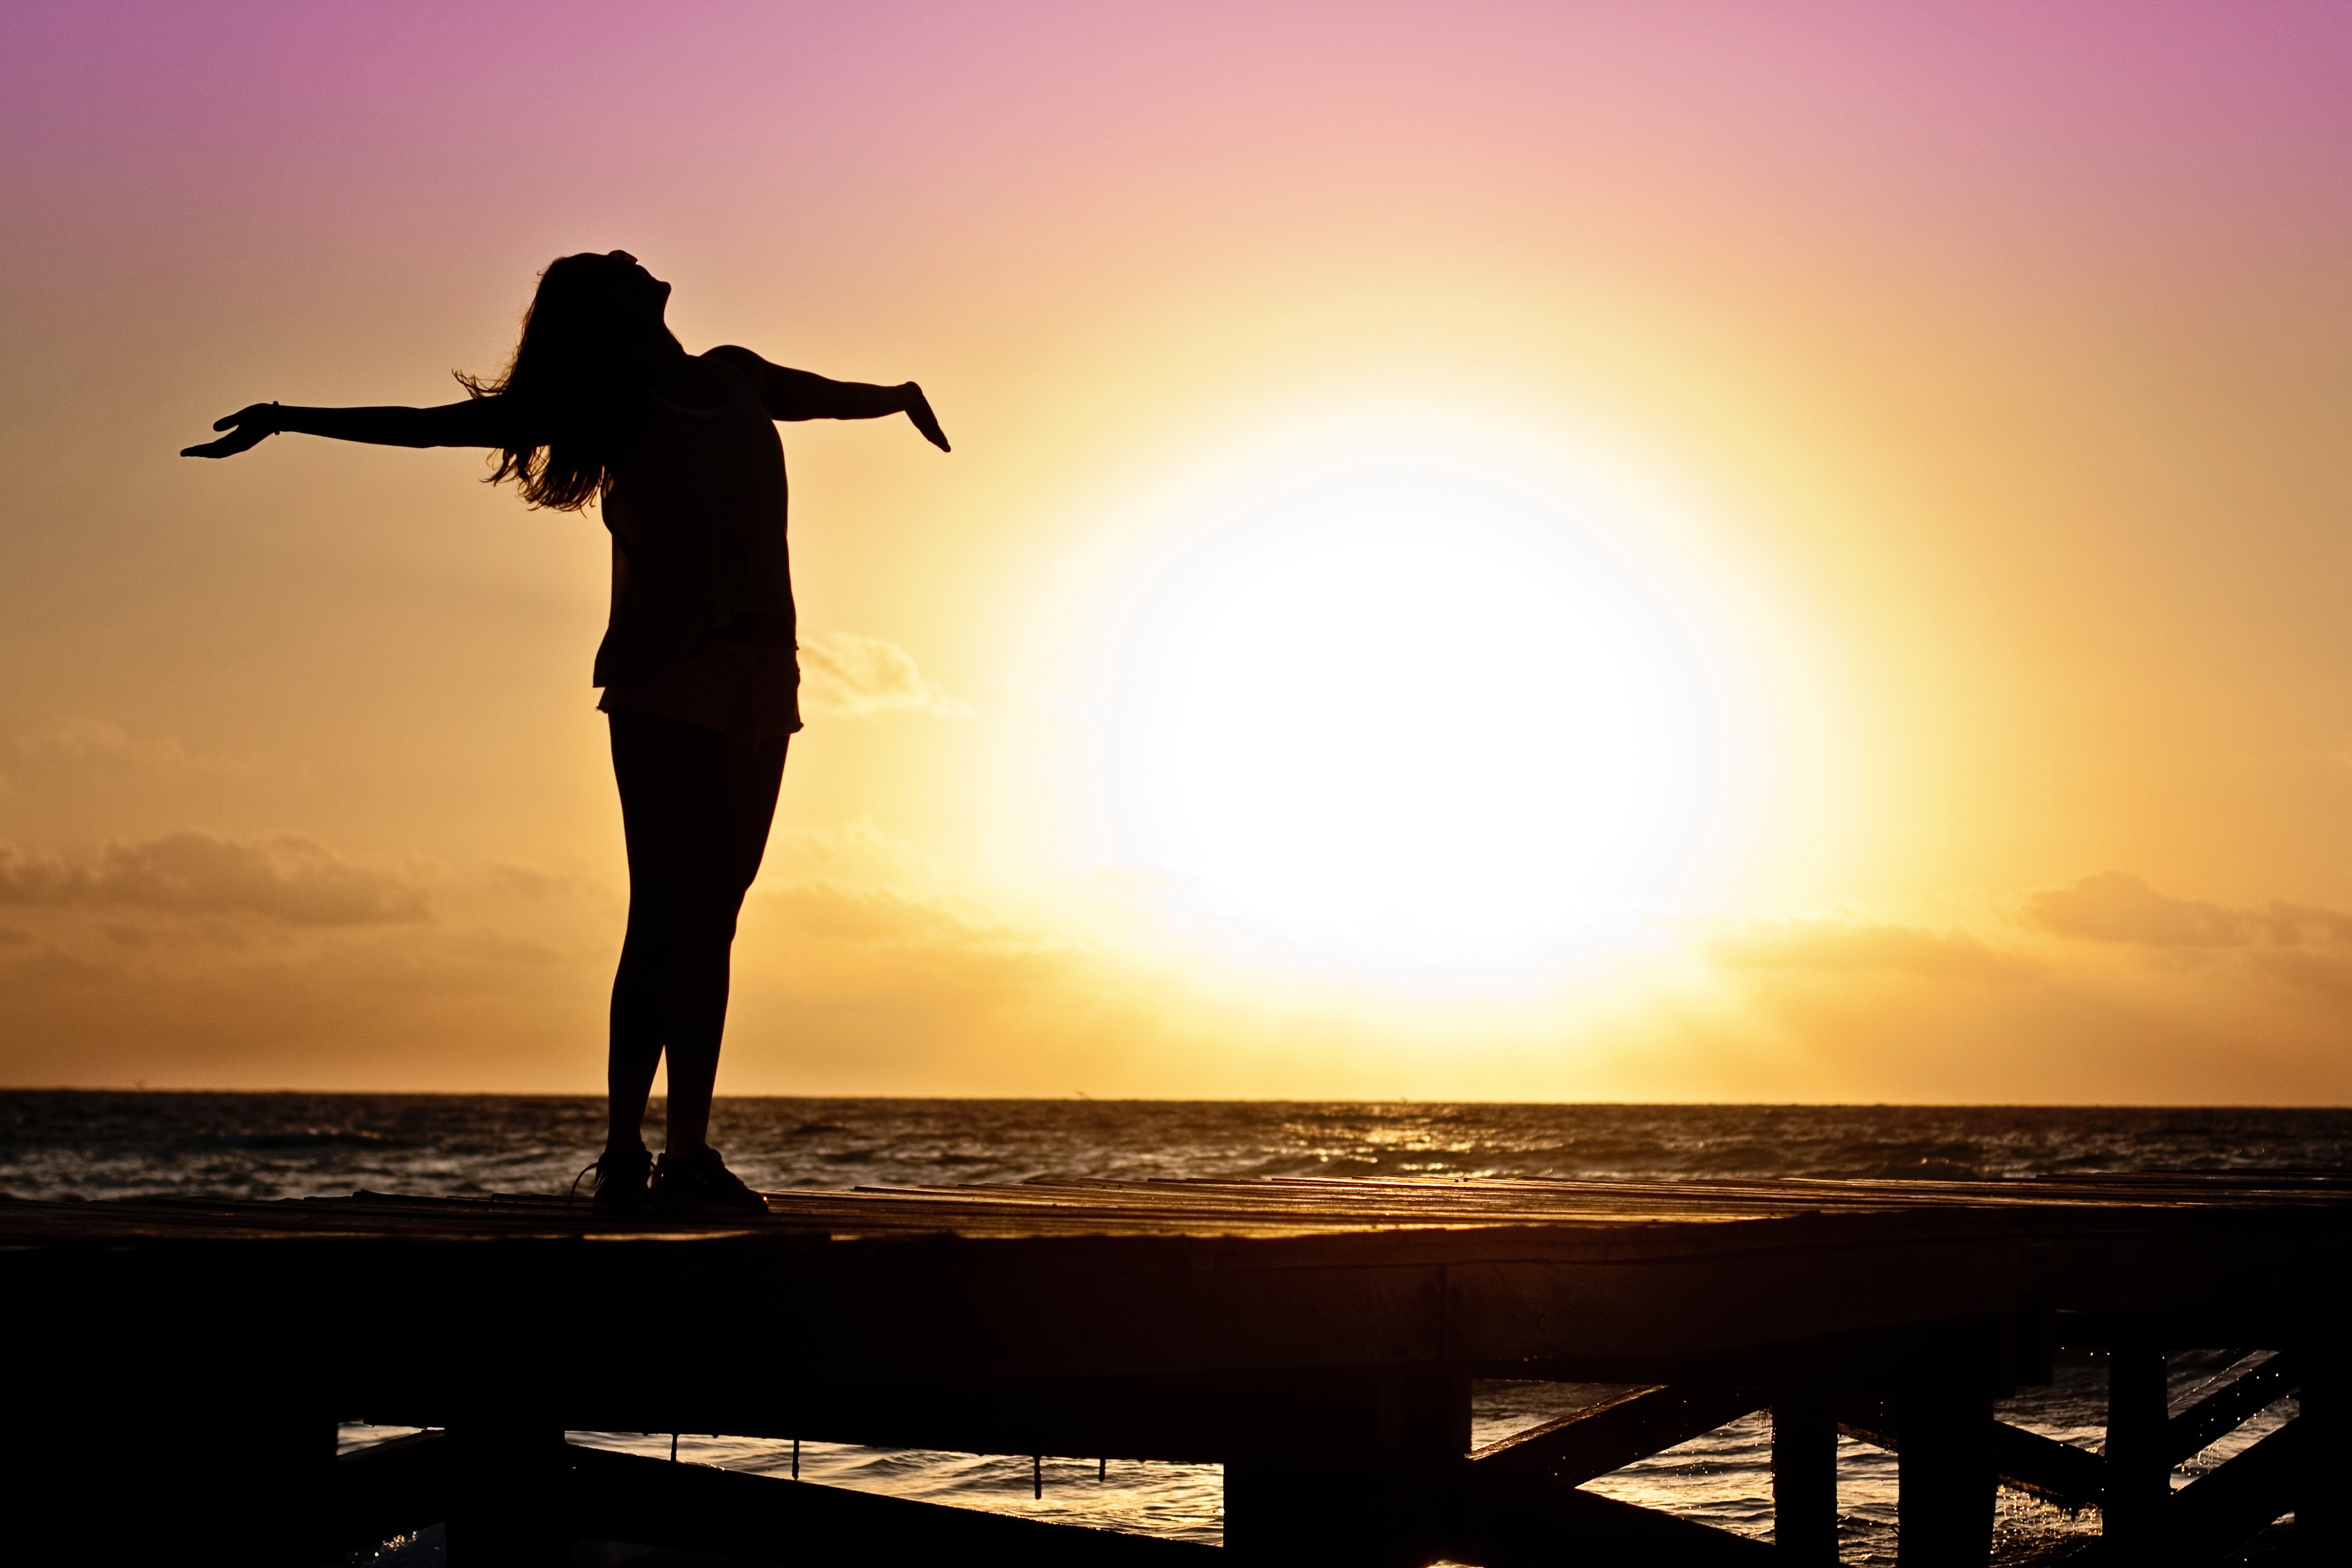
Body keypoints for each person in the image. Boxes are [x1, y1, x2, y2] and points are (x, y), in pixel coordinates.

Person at [183, 250, 950, 1214]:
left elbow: (827, 398)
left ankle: (680, 1155)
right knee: (667, 916)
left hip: (765, 682)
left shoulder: (733, 375)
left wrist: (898, 395)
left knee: (714, 919)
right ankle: (641, 1153)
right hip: (667, 679)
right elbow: (432, 431)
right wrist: (291, 418)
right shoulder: (613, 408)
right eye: (614, 270)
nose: (638, 261)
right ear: (607, 317)